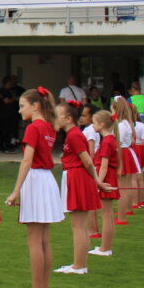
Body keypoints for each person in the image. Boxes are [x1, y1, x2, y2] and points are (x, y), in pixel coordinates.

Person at [3, 88, 63, 288]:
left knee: (35, 241)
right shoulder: (49, 127)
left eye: (22, 106)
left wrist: (16, 190)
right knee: (45, 240)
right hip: (46, 179)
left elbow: (27, 161)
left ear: (35, 106)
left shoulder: (34, 127)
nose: (20, 111)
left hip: (36, 179)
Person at [54, 102, 113, 275]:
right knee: (79, 225)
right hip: (75, 176)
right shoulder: (72, 135)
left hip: (77, 177)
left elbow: (87, 160)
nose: (55, 119)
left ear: (68, 118)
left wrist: (97, 182)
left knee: (78, 225)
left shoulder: (74, 135)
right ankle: (79, 264)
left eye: (58, 116)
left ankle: (79, 266)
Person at [89, 110, 121, 257]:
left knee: (107, 214)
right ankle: (104, 246)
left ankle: (105, 248)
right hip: (107, 177)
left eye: (94, 122)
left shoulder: (107, 141)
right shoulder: (109, 139)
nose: (92, 125)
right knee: (107, 214)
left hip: (106, 178)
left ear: (101, 125)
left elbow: (104, 166)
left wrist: (98, 183)